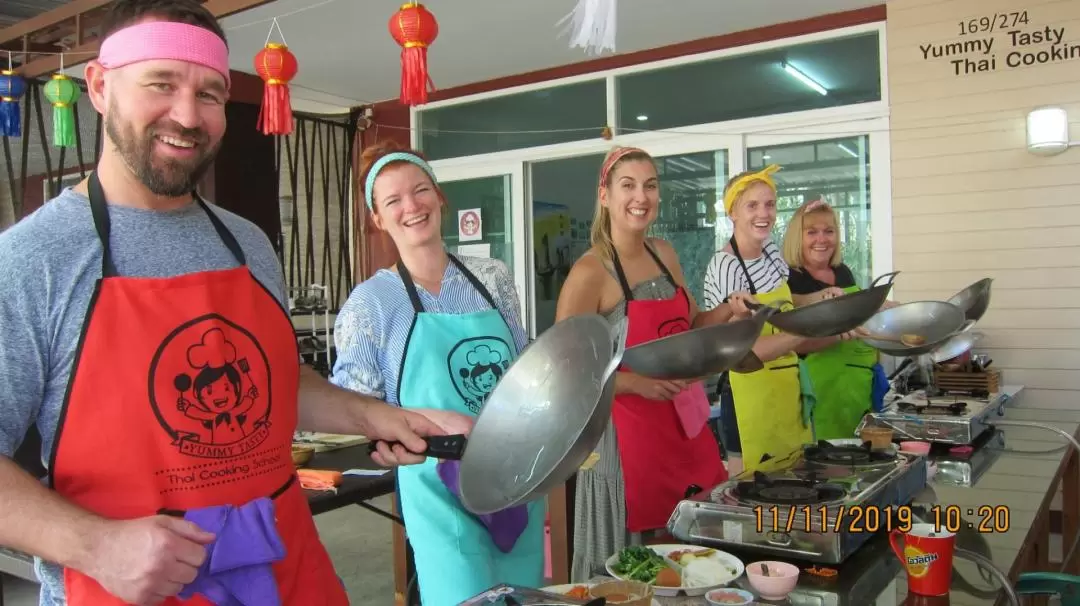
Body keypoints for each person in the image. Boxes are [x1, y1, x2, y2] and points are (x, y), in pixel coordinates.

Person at [0, 3, 450, 606]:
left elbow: (274, 387)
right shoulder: (35, 259)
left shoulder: (246, 243)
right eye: (161, 83)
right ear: (101, 87)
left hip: (284, 573)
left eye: (209, 93)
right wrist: (94, 544)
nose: (187, 116)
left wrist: (383, 417)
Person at [330, 140, 545, 605]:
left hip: (512, 476)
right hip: (438, 488)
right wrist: (405, 425)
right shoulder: (372, 303)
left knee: (525, 599)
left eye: (420, 190)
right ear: (377, 218)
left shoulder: (491, 278)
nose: (412, 206)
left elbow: (523, 363)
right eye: (393, 200)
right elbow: (350, 407)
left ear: (439, 196)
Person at [556, 146, 731, 582]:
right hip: (622, 439)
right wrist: (636, 386)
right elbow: (565, 372)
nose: (641, 196)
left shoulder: (664, 253)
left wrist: (730, 312)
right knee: (631, 571)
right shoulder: (591, 272)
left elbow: (690, 327)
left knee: (691, 562)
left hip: (682, 428)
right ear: (605, 195)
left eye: (650, 185)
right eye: (628, 185)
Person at [702, 166, 851, 475]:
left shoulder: (770, 250)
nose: (764, 213)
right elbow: (745, 350)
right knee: (754, 498)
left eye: (769, 204)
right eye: (752, 205)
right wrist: (810, 330)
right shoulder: (726, 266)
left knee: (794, 491)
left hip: (785, 387)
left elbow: (785, 301)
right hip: (748, 398)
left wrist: (822, 299)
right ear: (732, 212)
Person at [782, 198, 893, 439]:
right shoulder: (789, 279)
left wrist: (897, 312)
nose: (822, 239)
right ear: (796, 237)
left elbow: (860, 310)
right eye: (811, 232)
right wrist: (840, 332)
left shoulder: (842, 272)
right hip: (817, 392)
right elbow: (794, 343)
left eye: (829, 231)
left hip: (857, 389)